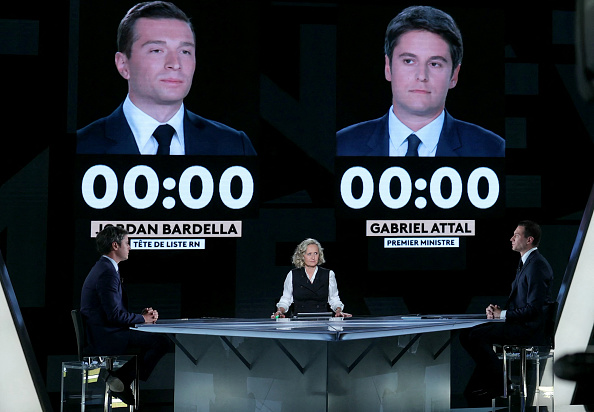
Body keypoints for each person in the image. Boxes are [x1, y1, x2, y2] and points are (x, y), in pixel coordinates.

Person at [77, 1, 256, 155]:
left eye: (185, 51)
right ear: (123, 64)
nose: (175, 63)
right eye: (157, 50)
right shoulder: (81, 147)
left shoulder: (234, 146)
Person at [337, 5, 504, 157]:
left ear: (454, 75)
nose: (421, 75)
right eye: (409, 61)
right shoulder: (342, 145)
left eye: (434, 64)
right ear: (388, 67)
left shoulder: (492, 150)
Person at [459, 220, 554, 405]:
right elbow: (522, 304)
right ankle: (497, 383)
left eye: (516, 235)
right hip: (520, 324)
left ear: (529, 240)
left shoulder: (537, 266)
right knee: (468, 334)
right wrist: (497, 312)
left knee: (474, 336)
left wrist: (502, 315)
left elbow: (533, 309)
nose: (511, 238)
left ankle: (501, 384)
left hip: (528, 330)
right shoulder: (527, 263)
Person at [80, 225, 169, 406]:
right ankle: (120, 379)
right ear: (115, 245)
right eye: (127, 243)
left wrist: (140, 317)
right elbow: (114, 316)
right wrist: (142, 319)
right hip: (106, 335)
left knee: (157, 340)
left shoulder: (104, 268)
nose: (130, 247)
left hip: (104, 331)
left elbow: (113, 311)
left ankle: (121, 380)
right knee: (161, 342)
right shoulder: (107, 272)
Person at [272, 238, 352, 318]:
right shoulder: (293, 274)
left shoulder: (328, 274)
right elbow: (286, 299)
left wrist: (339, 311)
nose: (313, 257)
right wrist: (280, 311)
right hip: (299, 323)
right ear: (302, 256)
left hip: (322, 322)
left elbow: (334, 299)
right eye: (309, 254)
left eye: (316, 253)